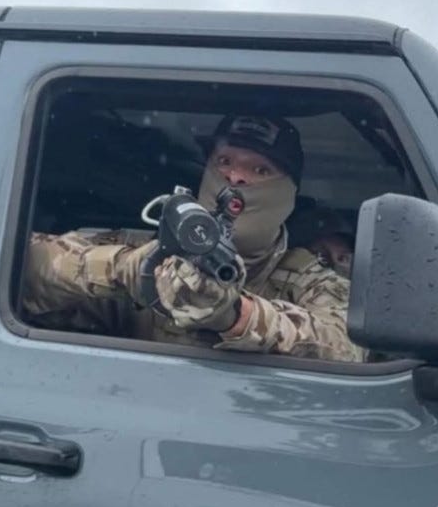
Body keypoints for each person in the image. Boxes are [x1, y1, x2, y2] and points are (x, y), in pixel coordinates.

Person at [22, 114, 365, 363]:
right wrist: (128, 269)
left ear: (288, 193)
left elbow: (346, 349)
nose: (235, 178)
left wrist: (235, 315)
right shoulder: (145, 249)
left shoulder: (313, 280)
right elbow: (21, 265)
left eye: (260, 170)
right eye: (224, 162)